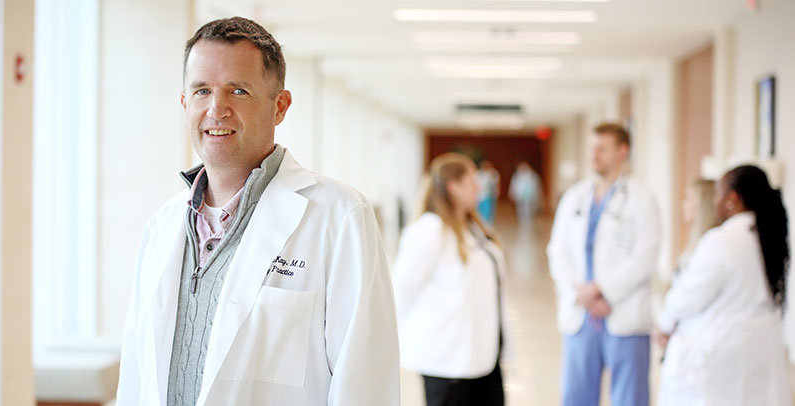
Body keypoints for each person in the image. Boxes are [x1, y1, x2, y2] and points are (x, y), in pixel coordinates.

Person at [116, 17, 400, 406]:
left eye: (239, 90)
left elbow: (365, 383)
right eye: (202, 91)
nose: (217, 109)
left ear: (280, 106)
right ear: (185, 104)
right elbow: (135, 375)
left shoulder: (339, 217)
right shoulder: (162, 226)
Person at [655, 165, 791, 405]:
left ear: (732, 200)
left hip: (726, 353)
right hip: (762, 345)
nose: (714, 200)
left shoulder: (721, 241)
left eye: (718, 193)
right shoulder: (766, 236)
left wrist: (665, 324)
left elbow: (687, 297)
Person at [546, 123, 660, 406]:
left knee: (629, 398)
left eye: (602, 149)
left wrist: (602, 290)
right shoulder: (574, 197)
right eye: (591, 149)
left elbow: (645, 258)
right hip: (581, 314)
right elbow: (557, 252)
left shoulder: (643, 200)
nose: (594, 155)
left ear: (623, 151)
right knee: (576, 397)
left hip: (622, 312)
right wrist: (581, 294)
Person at [392, 153, 508, 406]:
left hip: (482, 355)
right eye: (472, 181)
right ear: (452, 187)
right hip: (447, 358)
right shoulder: (428, 230)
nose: (479, 187)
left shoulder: (472, 226)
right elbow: (401, 292)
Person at [677, 179, 718, 272]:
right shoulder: (696, 241)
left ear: (703, 203)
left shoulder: (712, 244)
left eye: (688, 198)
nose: (683, 204)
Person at [508, 161, 542, 230]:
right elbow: (513, 186)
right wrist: (512, 194)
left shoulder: (533, 176)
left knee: (529, 210)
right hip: (520, 197)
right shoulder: (517, 176)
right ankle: (523, 222)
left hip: (530, 197)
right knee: (521, 210)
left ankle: (529, 223)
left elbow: (537, 186)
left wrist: (539, 195)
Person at [476, 160, 500, 224]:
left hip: (488, 196)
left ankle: (488, 223)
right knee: (480, 211)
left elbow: (496, 184)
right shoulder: (478, 174)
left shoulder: (492, 174)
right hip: (479, 196)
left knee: (489, 211)